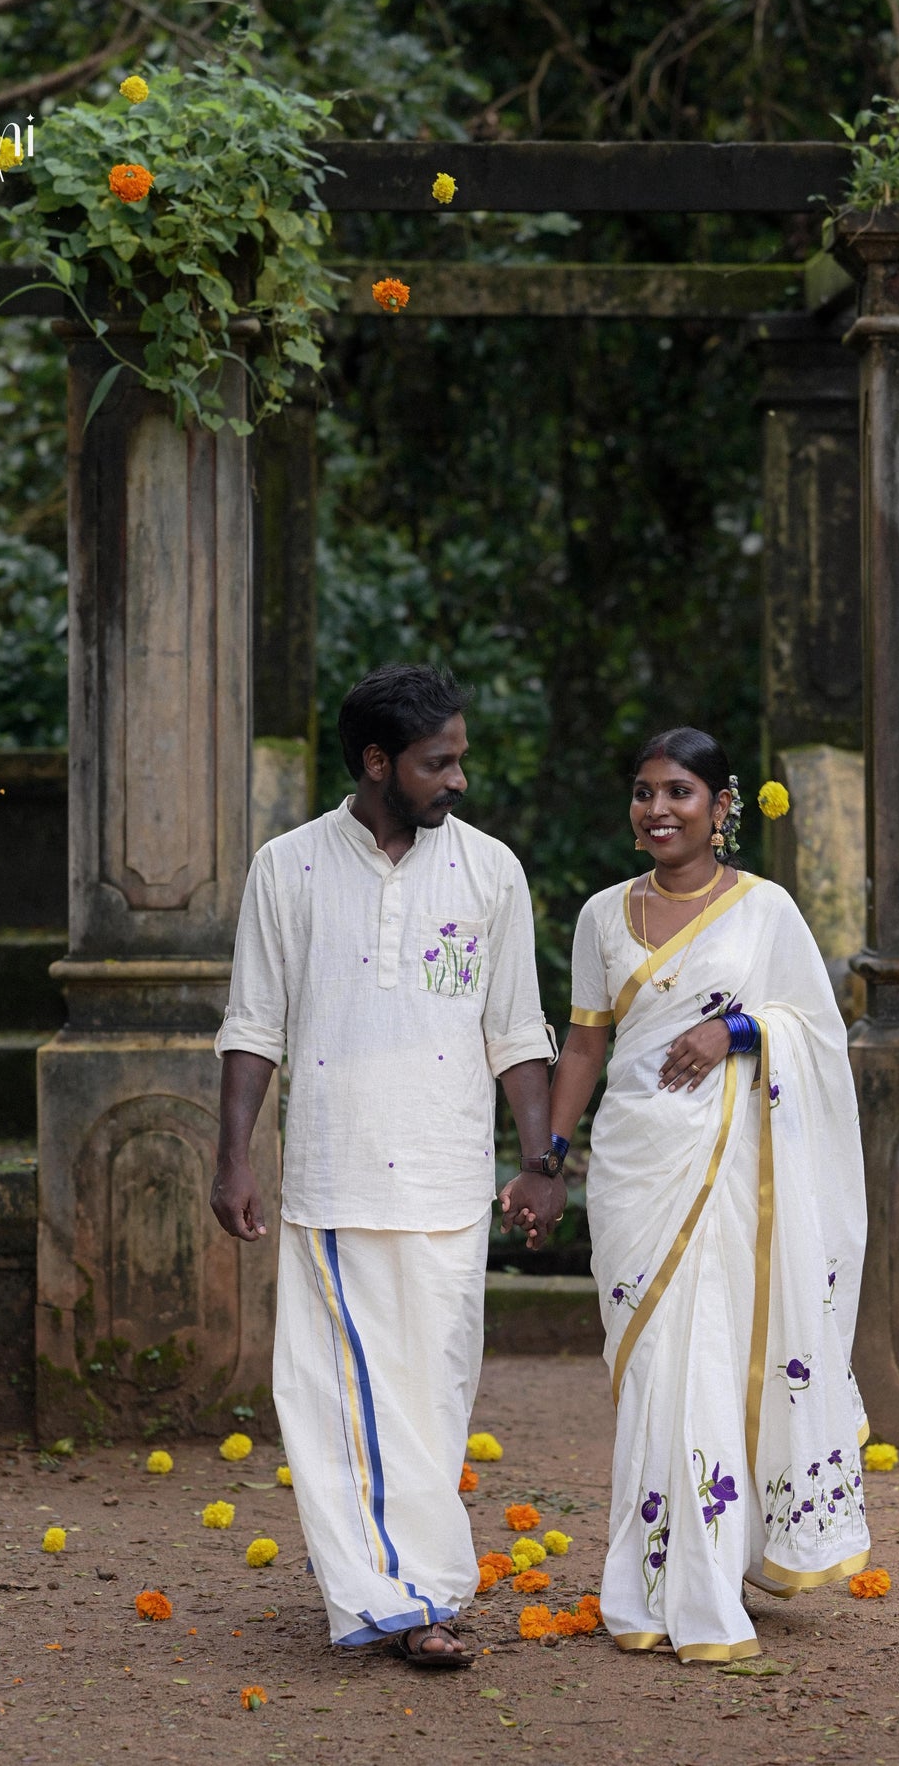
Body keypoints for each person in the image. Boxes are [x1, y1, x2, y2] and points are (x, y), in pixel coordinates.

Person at [211, 664, 565, 1669]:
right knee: (336, 1397)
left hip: (451, 1177)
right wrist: (233, 1156)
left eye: (458, 757)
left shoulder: (490, 871)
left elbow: (514, 1031)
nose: (457, 778)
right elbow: (254, 1027)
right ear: (377, 763)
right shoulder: (287, 867)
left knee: (434, 1394)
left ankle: (405, 1586)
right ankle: (406, 1600)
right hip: (334, 1173)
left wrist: (540, 1160)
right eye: (436, 761)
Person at [514, 728, 870, 1664]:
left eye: (678, 791)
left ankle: (705, 1590)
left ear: (721, 807)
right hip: (635, 1169)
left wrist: (740, 1031)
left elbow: (818, 1032)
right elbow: (584, 1045)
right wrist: (548, 1160)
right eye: (642, 792)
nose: (657, 809)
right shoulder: (600, 915)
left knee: (709, 1360)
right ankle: (644, 1581)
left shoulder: (765, 912)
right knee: (647, 1373)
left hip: (730, 1172)